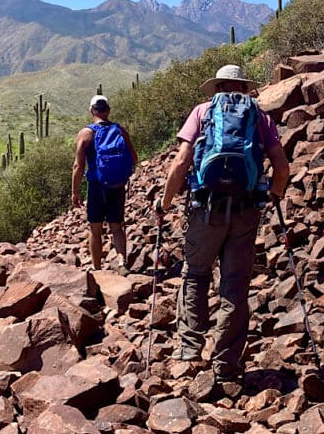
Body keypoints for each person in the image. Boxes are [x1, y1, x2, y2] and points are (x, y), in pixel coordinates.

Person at [157, 64, 290, 385]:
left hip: (206, 208)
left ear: (218, 87)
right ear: (243, 87)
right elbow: (282, 167)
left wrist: (165, 202)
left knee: (195, 273)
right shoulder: (260, 117)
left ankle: (190, 348)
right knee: (234, 286)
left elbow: (181, 162)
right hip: (245, 211)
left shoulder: (202, 112)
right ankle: (225, 363)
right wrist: (270, 198)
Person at [72, 94, 138, 271]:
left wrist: (75, 192)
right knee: (116, 227)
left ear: (91, 111)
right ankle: (122, 262)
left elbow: (78, 166)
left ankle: (97, 268)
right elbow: (134, 158)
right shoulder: (120, 131)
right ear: (108, 110)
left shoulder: (86, 134)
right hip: (117, 185)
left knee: (95, 229)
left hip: (97, 186)